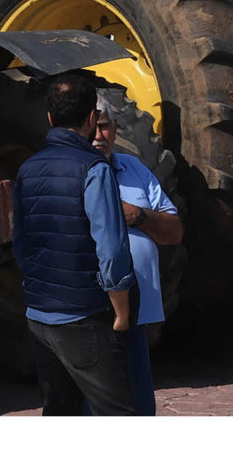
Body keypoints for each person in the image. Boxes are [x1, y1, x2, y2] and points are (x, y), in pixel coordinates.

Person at [13, 71, 145, 416]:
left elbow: (21, 242)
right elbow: (111, 248)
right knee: (118, 414)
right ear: (91, 118)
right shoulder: (94, 168)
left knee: (59, 412)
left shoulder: (27, 169)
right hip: (85, 315)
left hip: (40, 315)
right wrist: (121, 311)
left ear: (49, 117)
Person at [91, 97, 181, 409]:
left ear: (115, 128)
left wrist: (139, 216)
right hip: (91, 316)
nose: (98, 135)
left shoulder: (134, 168)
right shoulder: (70, 174)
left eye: (104, 126)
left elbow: (174, 230)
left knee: (140, 402)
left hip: (136, 315)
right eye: (92, 126)